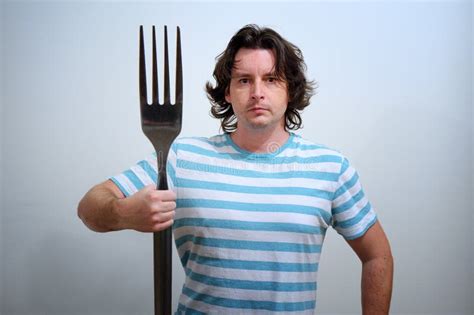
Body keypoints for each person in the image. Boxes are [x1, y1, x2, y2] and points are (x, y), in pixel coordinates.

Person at [78, 24, 393, 314]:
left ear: (290, 90)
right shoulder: (180, 157)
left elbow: (378, 255)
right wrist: (124, 214)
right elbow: (89, 207)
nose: (258, 92)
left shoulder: (330, 167)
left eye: (271, 79)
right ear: (227, 92)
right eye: (244, 80)